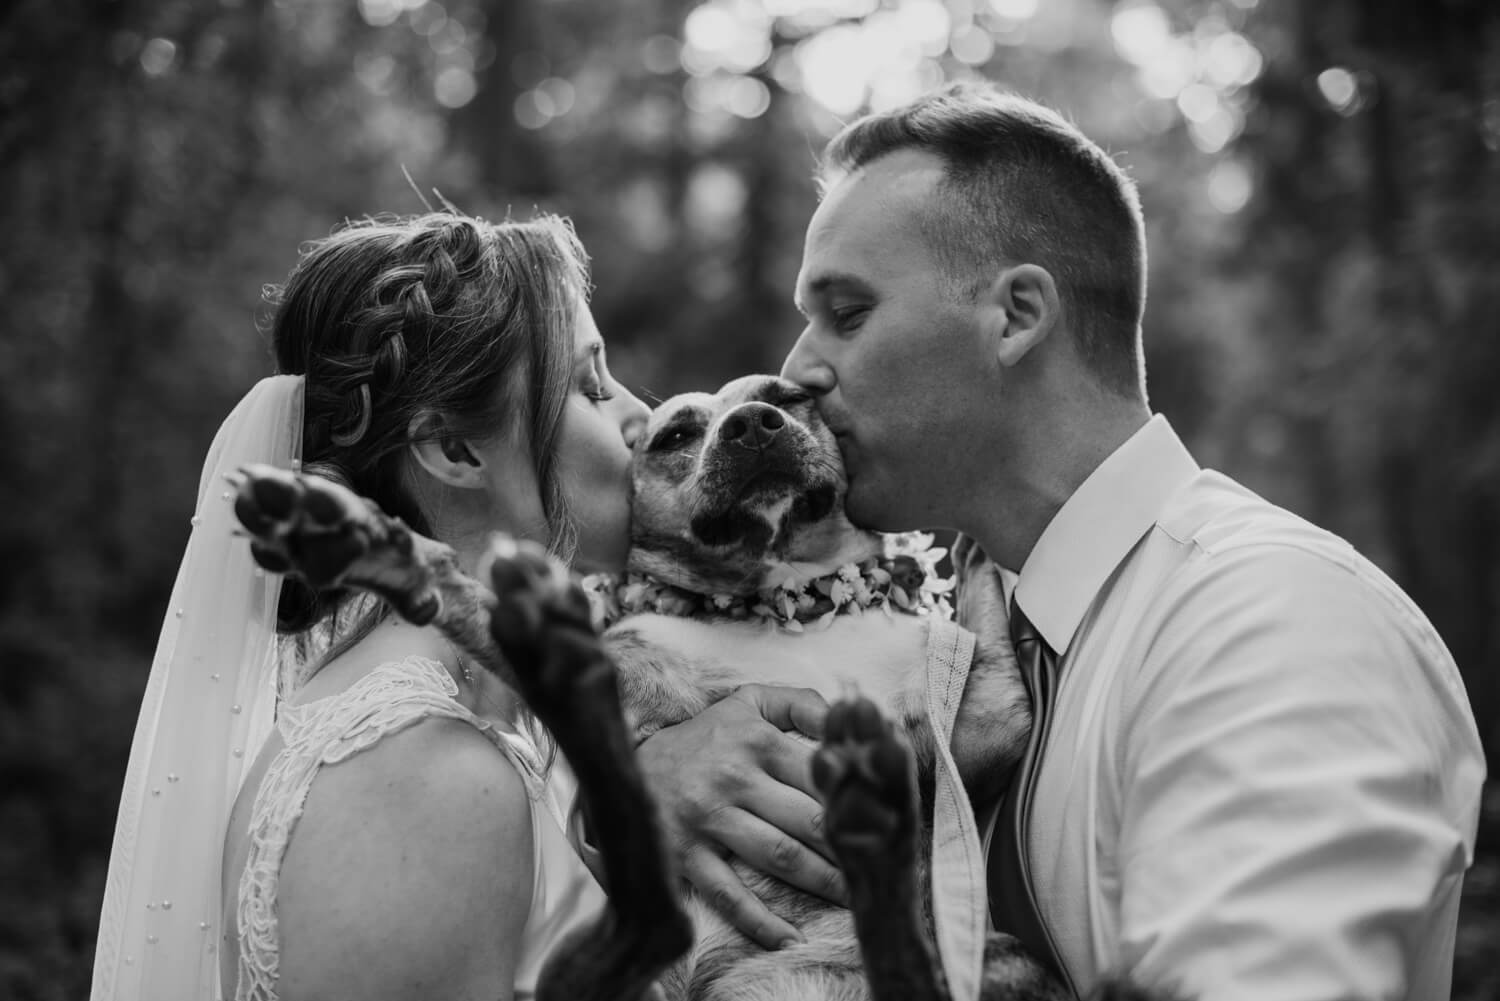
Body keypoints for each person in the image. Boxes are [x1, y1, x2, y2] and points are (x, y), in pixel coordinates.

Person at [637, 81, 1487, 999]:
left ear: (1015, 317)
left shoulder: (1269, 622)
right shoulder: (965, 632)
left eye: (847, 313)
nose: (798, 370)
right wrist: (647, 772)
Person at [91, 211, 650, 1001]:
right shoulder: (427, 779)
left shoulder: (488, 722)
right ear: (455, 451)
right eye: (591, 385)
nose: (641, 416)